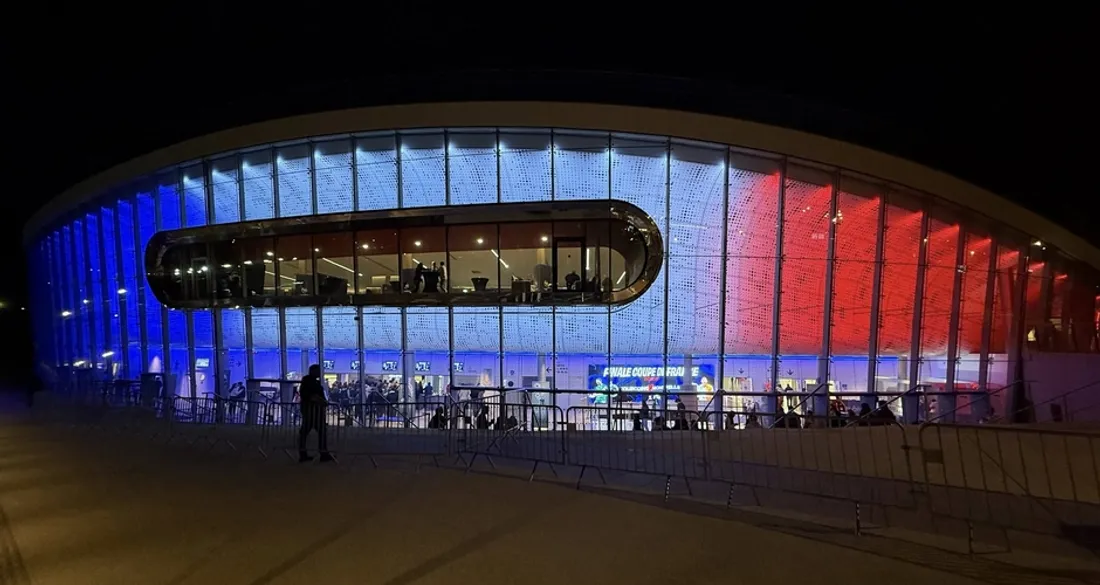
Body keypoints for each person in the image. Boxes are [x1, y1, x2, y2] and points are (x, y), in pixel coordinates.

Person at [298, 364, 334, 463]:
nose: (319, 373)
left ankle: (305, 453)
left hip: (313, 410)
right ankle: (321, 453)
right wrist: (321, 401)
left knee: (306, 432)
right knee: (316, 431)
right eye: (318, 371)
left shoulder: (309, 382)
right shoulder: (310, 382)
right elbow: (309, 396)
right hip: (312, 410)